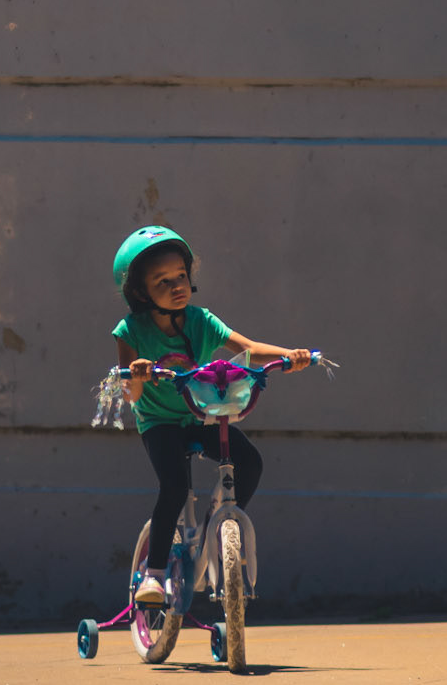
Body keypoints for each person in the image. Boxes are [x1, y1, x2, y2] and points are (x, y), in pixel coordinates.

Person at [112, 225, 310, 607]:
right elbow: (130, 395)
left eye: (181, 275)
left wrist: (290, 355)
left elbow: (249, 348)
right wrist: (136, 375)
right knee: (173, 487)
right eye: (162, 281)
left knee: (249, 462)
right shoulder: (130, 331)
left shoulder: (201, 320)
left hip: (200, 414)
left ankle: (217, 527)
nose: (177, 286)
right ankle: (154, 576)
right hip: (159, 422)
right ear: (140, 292)